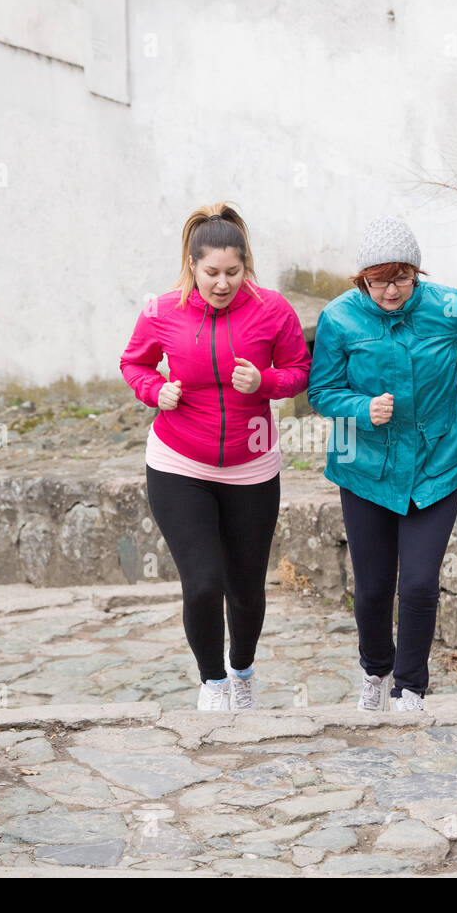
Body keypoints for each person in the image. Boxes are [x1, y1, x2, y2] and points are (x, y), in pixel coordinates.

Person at [307, 215, 457, 712]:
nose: (390, 290)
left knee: (418, 584)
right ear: (362, 280)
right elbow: (322, 391)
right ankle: (375, 671)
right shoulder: (339, 318)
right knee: (373, 590)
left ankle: (411, 689)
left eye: (400, 278)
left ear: (417, 273)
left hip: (436, 463)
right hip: (365, 469)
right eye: (379, 280)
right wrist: (361, 408)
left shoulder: (449, 307)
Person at [120, 202, 311, 711]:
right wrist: (154, 390)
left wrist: (265, 382)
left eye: (233, 271)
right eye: (211, 273)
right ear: (191, 267)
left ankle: (242, 671)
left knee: (245, 589)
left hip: (251, 467)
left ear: (246, 266)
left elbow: (300, 369)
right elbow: (133, 363)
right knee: (204, 582)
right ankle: (213, 683)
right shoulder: (160, 311)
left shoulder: (273, 310)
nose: (222, 283)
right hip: (179, 463)